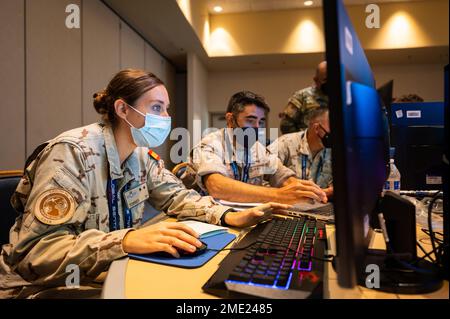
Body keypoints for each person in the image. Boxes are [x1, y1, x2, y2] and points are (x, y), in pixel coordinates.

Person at [0, 70, 289, 299]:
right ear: (122, 109)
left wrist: (229, 215)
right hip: (40, 286)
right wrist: (124, 241)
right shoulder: (71, 153)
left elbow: (178, 197)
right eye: (156, 107)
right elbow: (36, 252)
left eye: (166, 109)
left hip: (108, 271)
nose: (165, 118)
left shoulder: (141, 156)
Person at [185, 90, 328, 205]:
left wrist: (301, 189)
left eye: (260, 122)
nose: (257, 127)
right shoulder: (210, 144)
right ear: (230, 120)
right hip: (205, 222)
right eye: (250, 120)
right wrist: (279, 195)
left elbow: (280, 174)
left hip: (245, 217)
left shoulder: (258, 149)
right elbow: (217, 187)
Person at [269, 107, 333, 198]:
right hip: (286, 204)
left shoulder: (332, 151)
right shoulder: (285, 143)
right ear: (317, 128)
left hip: (320, 205)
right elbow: (262, 176)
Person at [279, 61, 329, 134]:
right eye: (325, 80)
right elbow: (286, 124)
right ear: (316, 80)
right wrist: (301, 141)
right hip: (308, 143)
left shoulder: (344, 97)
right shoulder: (301, 96)